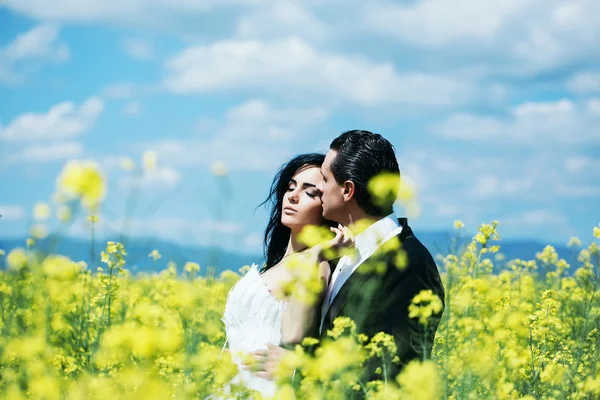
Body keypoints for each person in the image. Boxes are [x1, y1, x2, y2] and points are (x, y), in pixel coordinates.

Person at [244, 130, 446, 392]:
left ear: (347, 190)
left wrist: (299, 368)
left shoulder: (409, 263)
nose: (321, 188)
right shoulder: (342, 255)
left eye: (325, 181)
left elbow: (395, 373)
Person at [221, 153, 353, 398]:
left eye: (310, 193)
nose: (292, 196)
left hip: (265, 388)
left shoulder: (315, 263)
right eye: (291, 187)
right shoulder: (280, 263)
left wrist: (317, 254)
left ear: (326, 206)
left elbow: (294, 338)